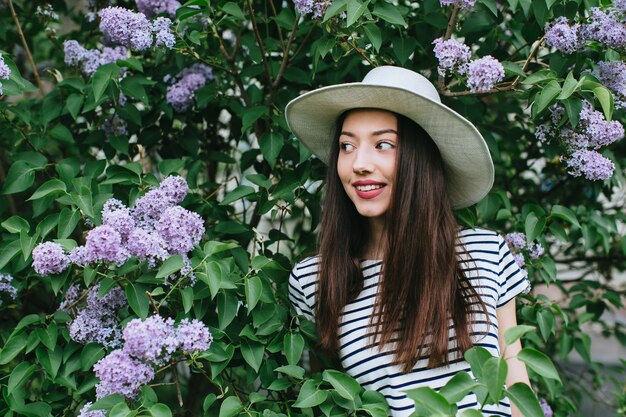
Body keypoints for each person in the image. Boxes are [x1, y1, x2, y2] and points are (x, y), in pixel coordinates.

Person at [284, 66, 532, 417]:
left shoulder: (485, 252)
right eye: (346, 146)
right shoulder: (316, 279)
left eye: (383, 144)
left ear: (420, 158)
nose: (359, 163)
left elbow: (515, 378)